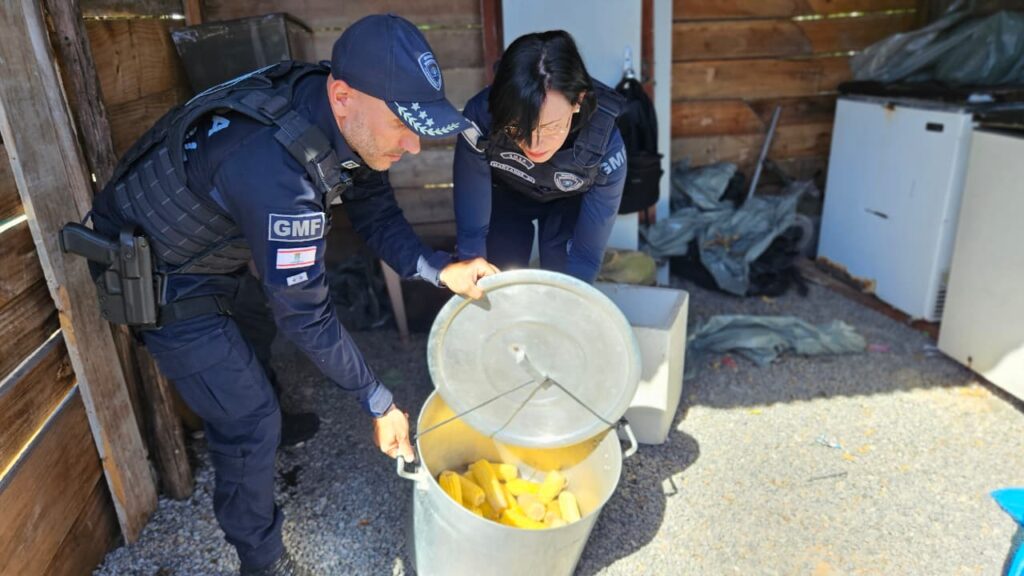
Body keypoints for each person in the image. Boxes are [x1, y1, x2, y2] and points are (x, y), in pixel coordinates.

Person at [85, 14, 498, 576]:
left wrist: (439, 270)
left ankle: (270, 421)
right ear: (344, 96)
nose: (413, 142)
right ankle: (262, 558)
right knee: (248, 418)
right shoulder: (278, 174)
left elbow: (375, 214)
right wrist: (377, 400)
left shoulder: (337, 116)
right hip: (155, 273)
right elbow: (306, 315)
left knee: (256, 331)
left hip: (209, 248)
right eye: (403, 122)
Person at [453, 30, 627, 284]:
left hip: (567, 201)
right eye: (517, 127)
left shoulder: (605, 144)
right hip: (504, 194)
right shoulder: (481, 116)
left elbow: (586, 256)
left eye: (552, 126)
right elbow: (471, 238)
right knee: (495, 279)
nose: (534, 144)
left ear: (578, 101)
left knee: (565, 281)